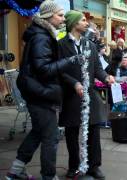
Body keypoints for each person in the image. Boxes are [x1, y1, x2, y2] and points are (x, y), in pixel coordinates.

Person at [5, 1, 83, 179]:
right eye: (60, 15)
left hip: (38, 91)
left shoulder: (44, 34)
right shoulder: (42, 37)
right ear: (48, 16)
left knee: (39, 131)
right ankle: (48, 176)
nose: (63, 19)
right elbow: (43, 69)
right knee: (51, 136)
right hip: (39, 93)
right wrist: (69, 61)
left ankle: (15, 171)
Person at [57, 10, 115, 179]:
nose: (86, 23)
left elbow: (97, 68)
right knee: (72, 133)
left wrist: (106, 77)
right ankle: (74, 166)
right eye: (83, 20)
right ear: (74, 23)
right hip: (71, 96)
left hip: (90, 96)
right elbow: (59, 71)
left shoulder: (90, 44)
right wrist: (73, 83)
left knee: (94, 131)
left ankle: (94, 166)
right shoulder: (61, 45)